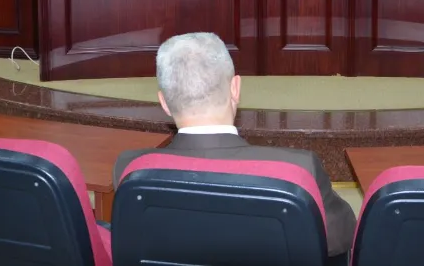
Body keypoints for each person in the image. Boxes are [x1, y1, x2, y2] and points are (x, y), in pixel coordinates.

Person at [113, 33, 356, 259]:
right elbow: (341, 236)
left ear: (164, 103)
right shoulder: (298, 169)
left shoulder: (130, 168)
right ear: (235, 89)